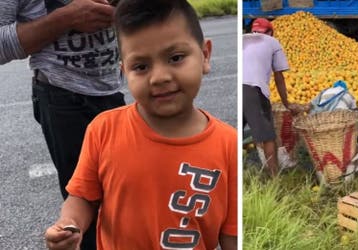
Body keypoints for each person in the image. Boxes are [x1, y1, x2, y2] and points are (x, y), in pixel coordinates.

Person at [44, 0, 238, 249]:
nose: (159, 77)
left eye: (176, 58)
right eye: (141, 66)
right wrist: (69, 224)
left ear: (205, 55)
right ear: (124, 71)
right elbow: (82, 197)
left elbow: (232, 235)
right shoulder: (103, 129)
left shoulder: (228, 144)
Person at [0, 0, 125, 249]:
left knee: (125, 196)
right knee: (87, 203)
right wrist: (66, 18)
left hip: (114, 88)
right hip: (62, 95)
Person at [243, 18, 300, 176]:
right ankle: (274, 178)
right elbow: (279, 77)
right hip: (253, 89)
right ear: (270, 32)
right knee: (268, 136)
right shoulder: (272, 42)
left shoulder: (242, 39)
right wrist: (286, 103)